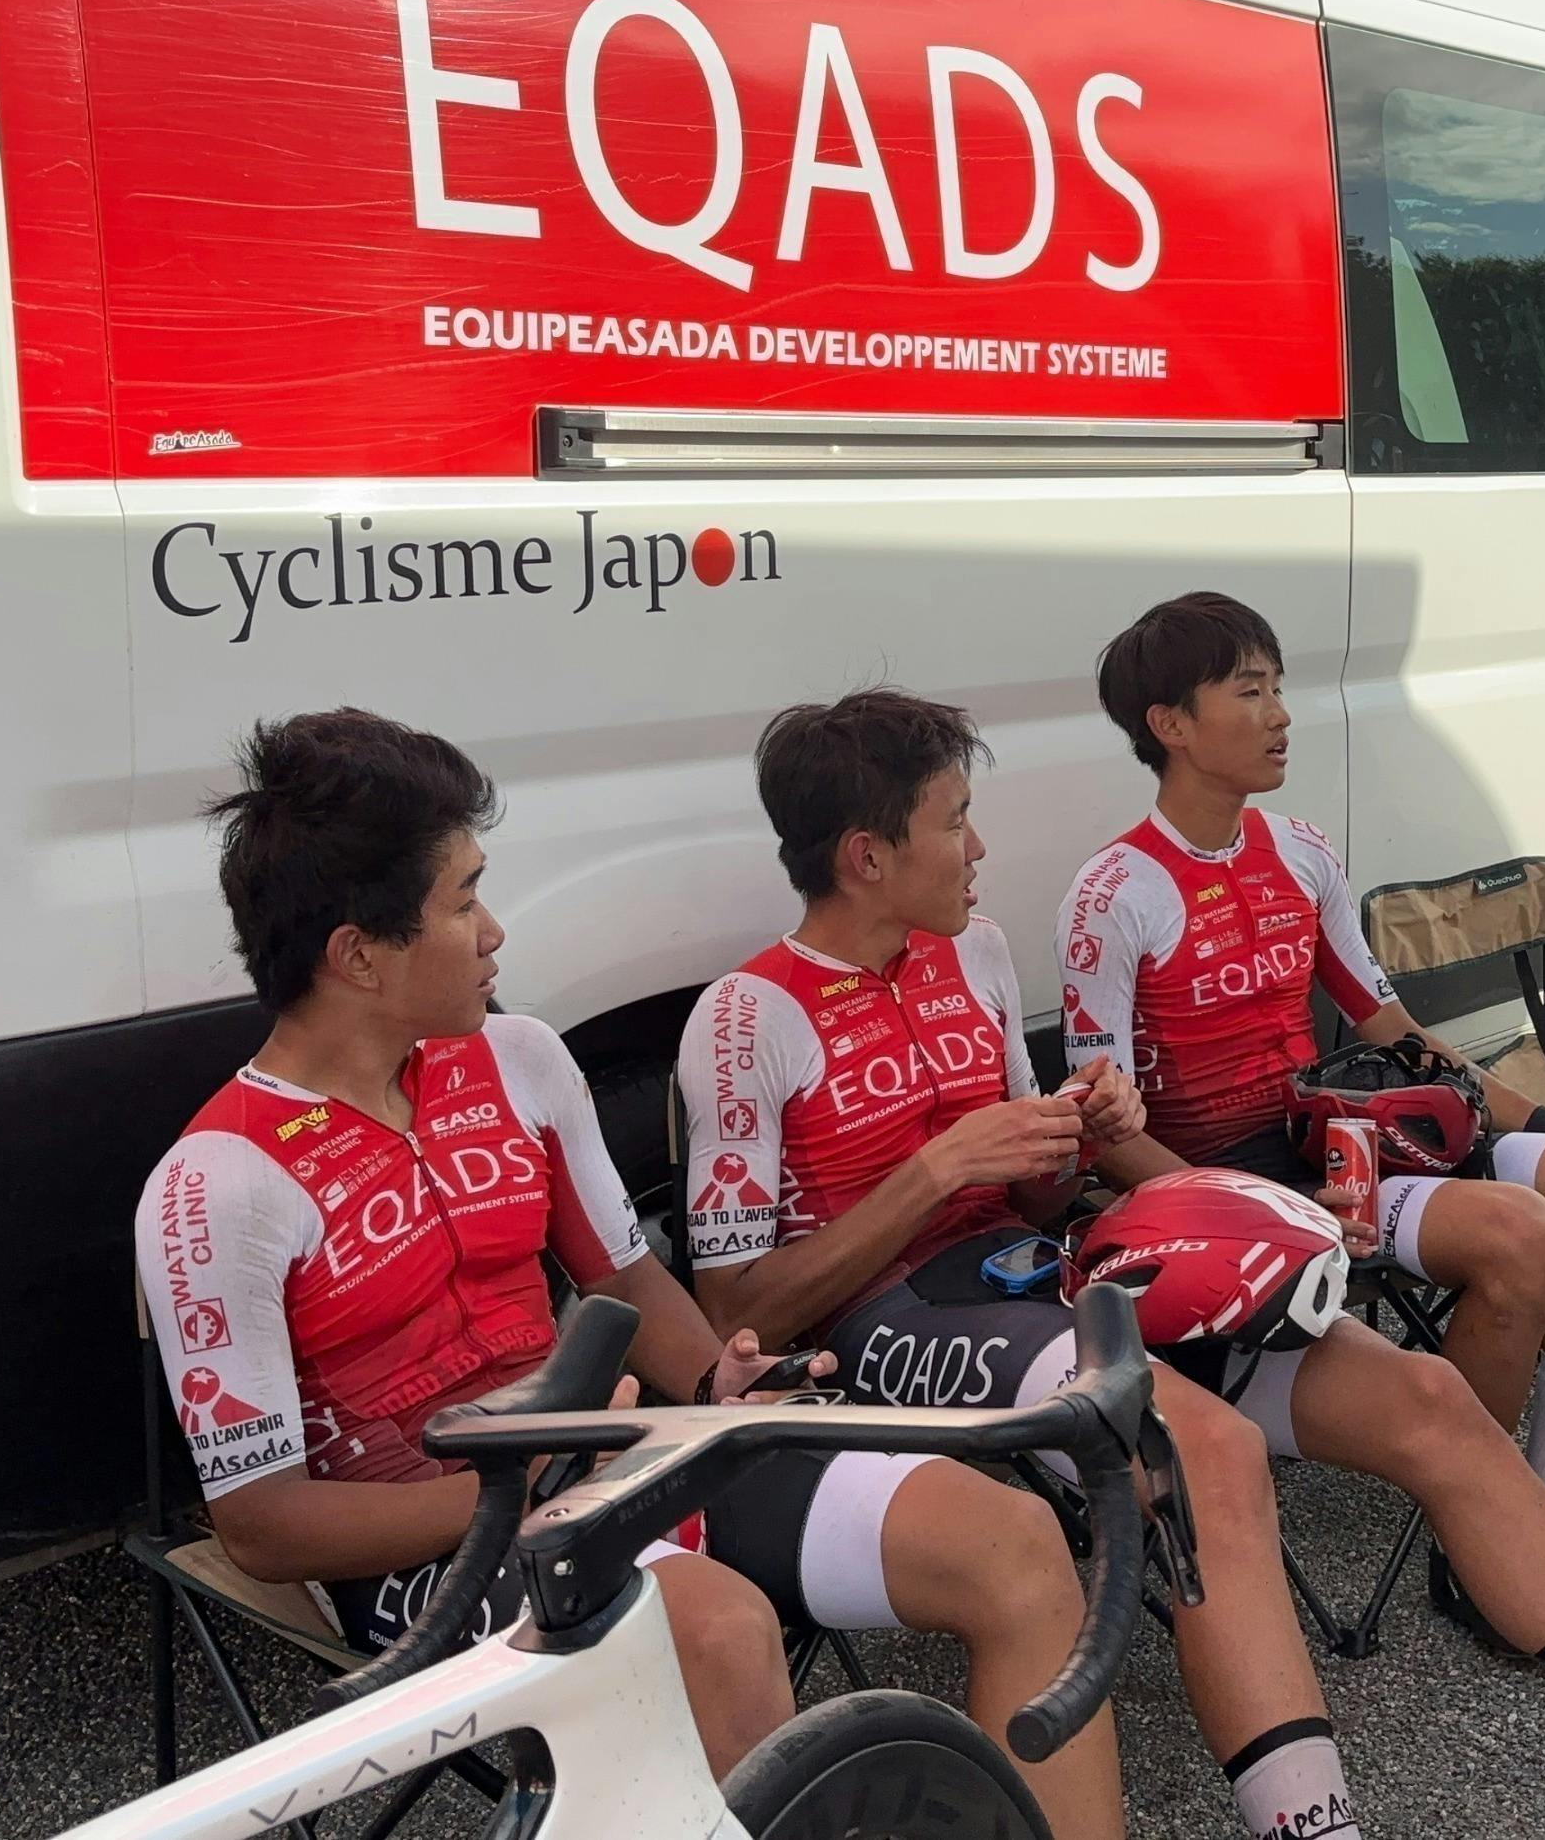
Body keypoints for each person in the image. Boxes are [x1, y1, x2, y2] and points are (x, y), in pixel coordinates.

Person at [680, 688, 1545, 1840]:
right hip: (887, 1322)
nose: (977, 847)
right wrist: (936, 1171)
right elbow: (735, 1304)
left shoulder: (973, 954)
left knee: (1427, 1400)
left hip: (1044, 1266)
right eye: (954, 821)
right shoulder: (745, 1017)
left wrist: (1076, 1134)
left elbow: (1032, 1191)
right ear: (867, 856)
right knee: (1207, 1452)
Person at [137, 710, 1127, 1839]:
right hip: (427, 1542)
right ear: (359, 955)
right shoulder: (217, 1184)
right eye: (463, 902)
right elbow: (262, 1526)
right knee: (716, 1634)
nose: (495, 931)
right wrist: (515, 1484)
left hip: (614, 1456)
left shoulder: (520, 1057)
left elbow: (622, 1277)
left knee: (1012, 1545)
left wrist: (718, 1381)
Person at [1059, 593, 1545, 1619]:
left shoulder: (1300, 849)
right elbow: (1103, 1133)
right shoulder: (1113, 892)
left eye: (1279, 688)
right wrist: (1252, 1215)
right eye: (1250, 692)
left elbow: (1389, 1025)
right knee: (1517, 1235)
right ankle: (1484, 1550)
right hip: (1223, 1185)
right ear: (1171, 724)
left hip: (1347, 1141)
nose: (1281, 714)